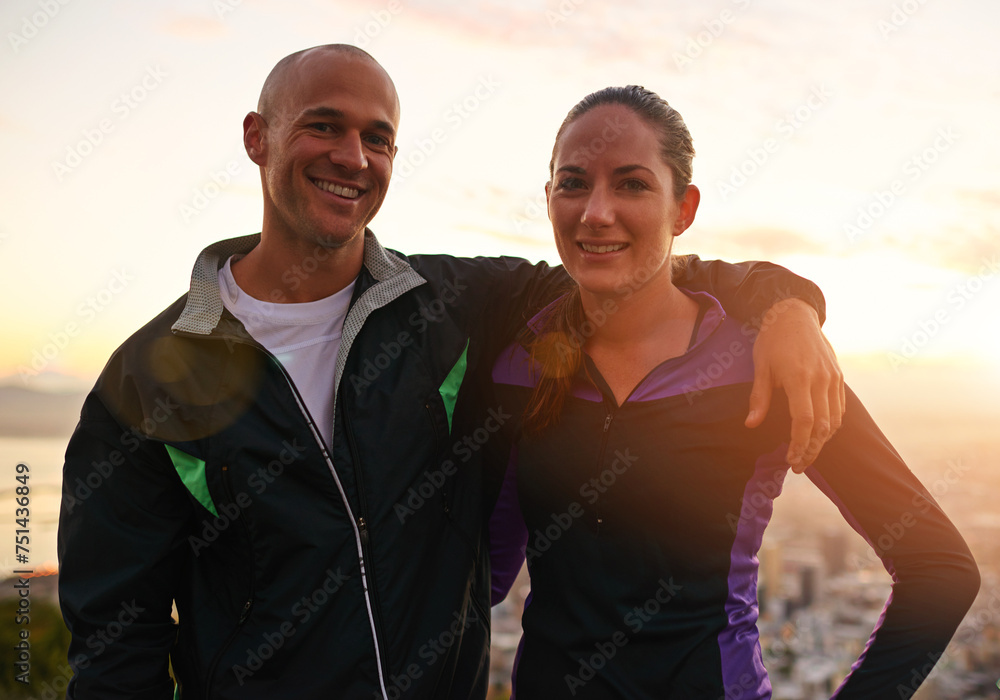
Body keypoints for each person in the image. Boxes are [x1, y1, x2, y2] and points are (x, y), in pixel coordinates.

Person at [58, 46, 844, 699]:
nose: (352, 157)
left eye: (378, 137)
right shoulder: (147, 379)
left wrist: (787, 307)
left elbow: (641, 269)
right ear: (258, 136)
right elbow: (114, 645)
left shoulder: (460, 306)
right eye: (323, 127)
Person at [487, 85, 980, 699]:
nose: (595, 212)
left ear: (683, 209)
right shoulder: (518, 360)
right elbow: (481, 579)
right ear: (550, 198)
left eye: (633, 184)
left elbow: (940, 569)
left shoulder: (762, 363)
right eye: (574, 182)